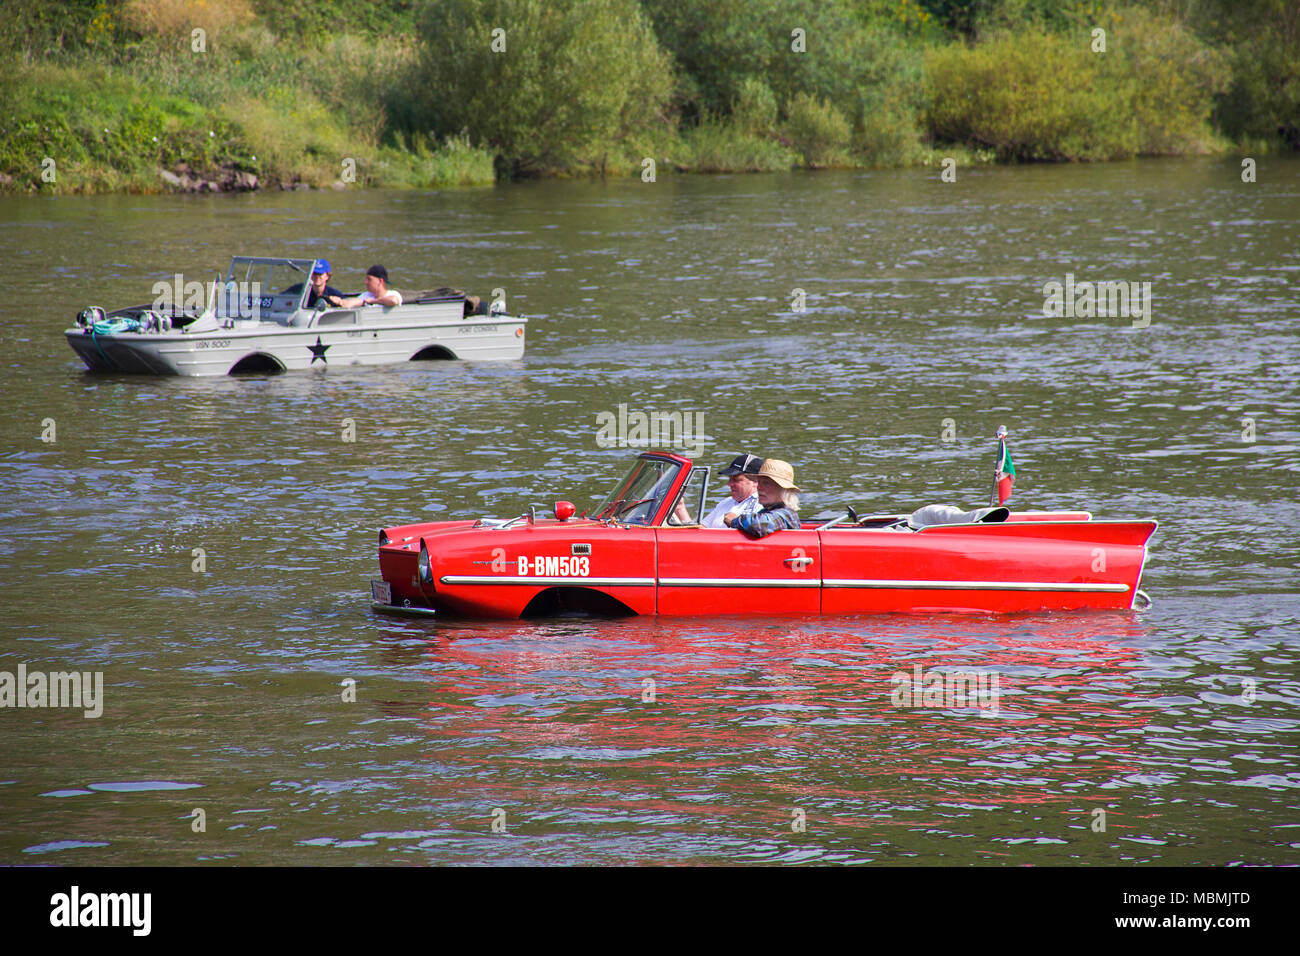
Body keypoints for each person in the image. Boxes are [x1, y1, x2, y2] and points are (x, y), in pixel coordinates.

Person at [726, 459, 801, 538]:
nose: (759, 487)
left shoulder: (787, 514)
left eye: (766, 483)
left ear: (783, 489)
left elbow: (760, 525)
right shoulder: (766, 512)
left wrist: (734, 520)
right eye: (759, 482)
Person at [700, 453, 764, 528]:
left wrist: (736, 521)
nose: (729, 484)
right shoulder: (725, 502)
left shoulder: (762, 505)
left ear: (756, 482)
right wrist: (682, 507)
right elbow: (700, 529)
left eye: (736, 480)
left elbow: (760, 531)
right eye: (730, 479)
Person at [328, 264, 403, 308]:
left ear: (380, 281)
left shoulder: (393, 294)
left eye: (369, 279)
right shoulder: (366, 295)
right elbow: (350, 303)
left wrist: (373, 301)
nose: (366, 282)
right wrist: (340, 301)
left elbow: (393, 301)